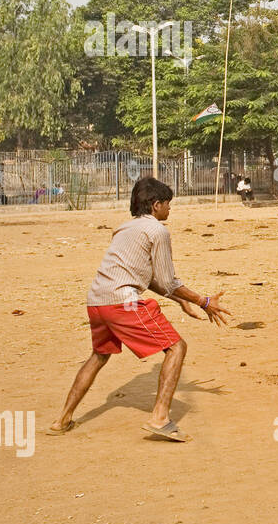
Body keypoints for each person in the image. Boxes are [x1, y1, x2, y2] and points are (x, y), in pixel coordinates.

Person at [48, 177, 231, 442]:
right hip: (123, 301)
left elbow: (144, 277)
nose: (170, 210)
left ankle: (62, 419)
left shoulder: (124, 229)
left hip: (97, 301)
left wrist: (180, 300)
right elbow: (168, 281)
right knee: (176, 347)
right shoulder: (157, 231)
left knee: (99, 356)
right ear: (156, 205)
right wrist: (203, 301)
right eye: (168, 204)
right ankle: (159, 418)